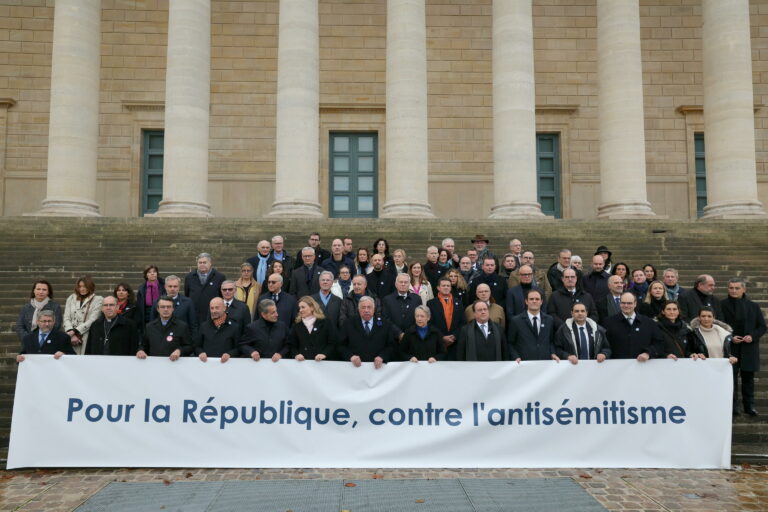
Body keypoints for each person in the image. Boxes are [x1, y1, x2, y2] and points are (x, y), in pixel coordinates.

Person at [721, 278, 766, 416]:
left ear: (744, 289)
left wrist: (752, 336)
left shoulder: (754, 306)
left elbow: (762, 327)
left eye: (736, 288)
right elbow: (718, 325)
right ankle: (733, 407)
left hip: (749, 347)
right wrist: (730, 336)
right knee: (730, 379)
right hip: (731, 347)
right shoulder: (721, 305)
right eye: (731, 288)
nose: (733, 291)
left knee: (748, 379)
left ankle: (749, 406)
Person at [338, 296, 397, 369]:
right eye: (363, 307)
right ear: (358, 309)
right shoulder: (348, 324)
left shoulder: (385, 324)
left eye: (369, 307)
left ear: (374, 309)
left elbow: (391, 345)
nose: (366, 310)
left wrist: (382, 356)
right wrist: (350, 356)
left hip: (378, 370)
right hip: (355, 368)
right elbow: (340, 345)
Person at [603, 292, 664, 361]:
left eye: (629, 303)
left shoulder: (649, 323)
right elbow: (604, 345)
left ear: (635, 304)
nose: (626, 306)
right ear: (620, 303)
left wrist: (648, 353)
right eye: (623, 303)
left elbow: (659, 343)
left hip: (643, 366)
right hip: (617, 367)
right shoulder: (609, 322)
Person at [507, 289, 559, 362]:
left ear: (541, 302)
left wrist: (553, 353)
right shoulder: (516, 321)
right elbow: (510, 343)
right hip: (524, 364)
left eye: (537, 299)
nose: (534, 301)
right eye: (531, 299)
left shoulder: (549, 320)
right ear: (526, 301)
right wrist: (516, 357)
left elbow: (551, 341)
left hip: (545, 363)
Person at [137, 295, 193, 360]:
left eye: (169, 307)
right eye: (162, 307)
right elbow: (143, 345)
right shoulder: (149, 326)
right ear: (158, 309)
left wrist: (179, 351)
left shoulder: (182, 326)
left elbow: (189, 347)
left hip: (174, 365)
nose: (166, 309)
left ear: (173, 309)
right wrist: (140, 351)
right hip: (154, 366)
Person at [427, 277, 466, 360]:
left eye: (448, 286)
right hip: (438, 343)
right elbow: (430, 323)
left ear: (451, 288)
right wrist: (442, 337)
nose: (446, 287)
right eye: (443, 285)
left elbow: (463, 322)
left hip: (455, 343)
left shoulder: (458, 302)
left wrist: (454, 336)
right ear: (438, 288)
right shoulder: (431, 303)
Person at [63, 275, 103, 355]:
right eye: (80, 286)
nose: (82, 289)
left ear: (90, 286)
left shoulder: (98, 299)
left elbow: (93, 319)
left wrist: (76, 331)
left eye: (85, 286)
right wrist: (70, 331)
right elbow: (66, 317)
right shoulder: (71, 298)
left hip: (87, 335)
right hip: (70, 336)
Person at [288, 296, 336, 361]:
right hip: (303, 365)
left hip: (323, 364)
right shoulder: (296, 325)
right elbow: (292, 345)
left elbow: (333, 342)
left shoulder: (325, 323)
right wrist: (296, 354)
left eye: (303, 307)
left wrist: (324, 354)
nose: (300, 310)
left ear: (312, 307)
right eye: (299, 308)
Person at [184, 252, 226, 325]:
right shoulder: (189, 277)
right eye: (200, 262)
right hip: (194, 317)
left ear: (210, 263)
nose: (202, 264)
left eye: (204, 262)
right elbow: (187, 294)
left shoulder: (220, 277)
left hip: (213, 316)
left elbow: (222, 296)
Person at [195, 297, 241, 363]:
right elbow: (197, 346)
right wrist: (200, 352)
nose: (214, 311)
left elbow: (239, 348)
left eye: (217, 308)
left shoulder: (234, 327)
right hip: (206, 366)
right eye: (212, 308)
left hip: (226, 366)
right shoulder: (204, 326)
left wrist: (230, 354)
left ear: (224, 308)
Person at [382, 273, 422, 337]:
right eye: (401, 282)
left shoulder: (417, 299)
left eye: (406, 282)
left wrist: (408, 334)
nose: (403, 284)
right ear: (396, 284)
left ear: (409, 285)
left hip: (412, 337)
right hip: (393, 338)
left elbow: (419, 318)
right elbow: (386, 319)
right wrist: (399, 333)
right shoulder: (387, 300)